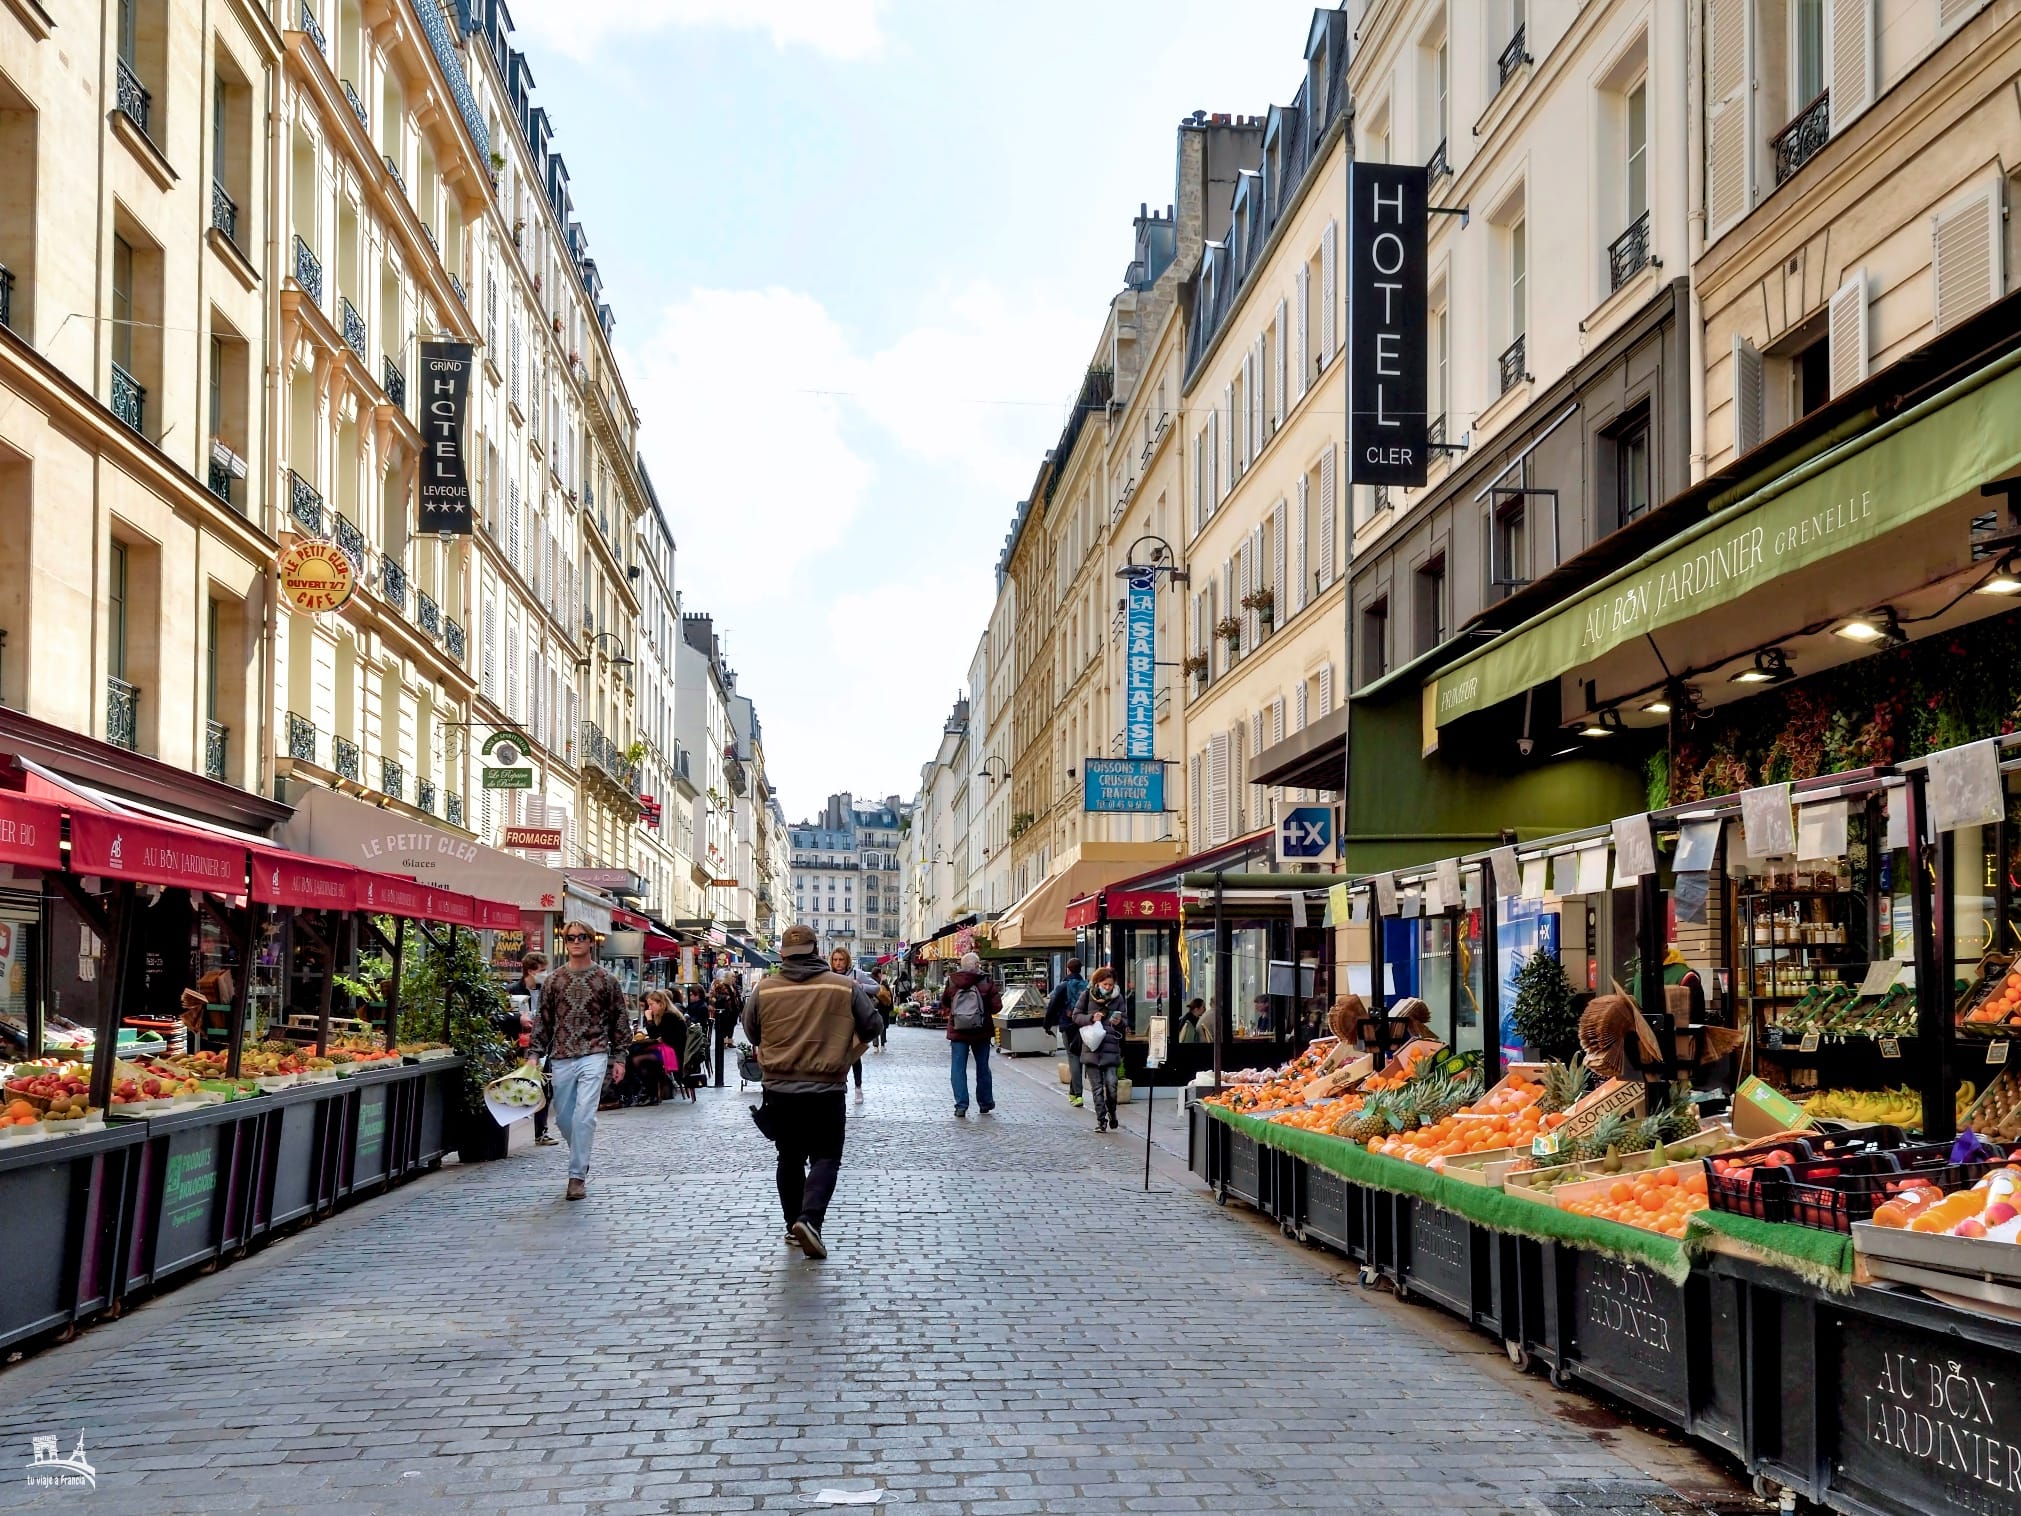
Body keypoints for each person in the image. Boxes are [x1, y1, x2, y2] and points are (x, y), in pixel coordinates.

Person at [743, 924, 882, 1259]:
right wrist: (846, 1051)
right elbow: (873, 1025)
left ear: (783, 955)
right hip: (826, 1086)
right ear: (816, 950)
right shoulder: (843, 986)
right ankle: (810, 1220)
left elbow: (751, 1031)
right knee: (826, 1156)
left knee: (788, 1157)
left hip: (779, 1087)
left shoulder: (766, 989)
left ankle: (794, 1225)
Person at [530, 923, 630, 1200]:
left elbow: (619, 1021)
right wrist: (533, 1055)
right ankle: (581, 1155)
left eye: (581, 937)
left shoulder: (605, 979)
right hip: (561, 1055)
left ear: (590, 941)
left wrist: (619, 1057)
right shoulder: (554, 980)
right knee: (563, 1117)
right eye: (570, 938)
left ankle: (576, 1177)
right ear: (565, 942)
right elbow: (544, 1021)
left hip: (594, 1052)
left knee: (584, 1115)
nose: (576, 942)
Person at [940, 951, 1001, 1118]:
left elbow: (944, 1002)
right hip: (981, 1031)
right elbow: (997, 1007)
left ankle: (961, 1106)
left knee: (958, 1068)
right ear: (976, 965)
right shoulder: (986, 980)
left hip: (958, 1031)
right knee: (982, 1067)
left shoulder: (953, 981)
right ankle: (985, 1103)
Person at [1074, 967, 1129, 1131]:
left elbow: (1125, 1022)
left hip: (1110, 1048)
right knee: (1097, 1088)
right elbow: (1076, 1016)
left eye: (1110, 985)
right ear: (1097, 983)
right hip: (1091, 1048)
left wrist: (1120, 1022)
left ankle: (1112, 1112)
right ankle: (1101, 1121)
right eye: (1105, 984)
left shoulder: (1118, 999)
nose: (1108, 988)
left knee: (1112, 1086)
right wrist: (1091, 1018)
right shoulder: (1086, 996)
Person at [516, 953, 559, 1147]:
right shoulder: (513, 991)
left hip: (543, 1045)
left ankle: (541, 1131)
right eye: (542, 970)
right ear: (531, 971)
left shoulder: (547, 991)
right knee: (518, 1087)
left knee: (544, 1088)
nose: (545, 974)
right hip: (520, 1045)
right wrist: (517, 1020)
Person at [1045, 958, 1090, 1108]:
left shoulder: (1063, 986)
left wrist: (1047, 1025)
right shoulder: (1087, 986)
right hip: (1085, 1025)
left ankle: (1077, 1094)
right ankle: (1073, 1092)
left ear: (1067, 969)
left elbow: (1052, 1006)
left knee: (1073, 1058)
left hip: (1068, 1026)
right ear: (1080, 969)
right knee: (1080, 1056)